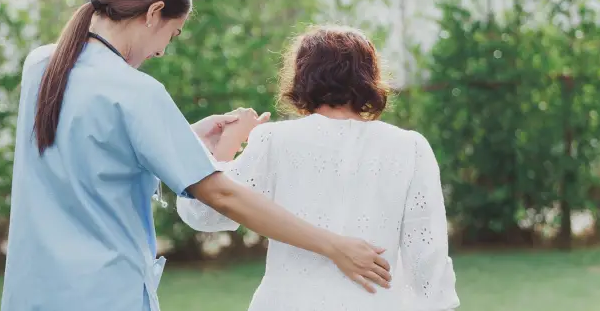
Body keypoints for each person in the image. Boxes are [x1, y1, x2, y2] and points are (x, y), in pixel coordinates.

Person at [0, 0, 391, 311]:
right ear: (154, 12)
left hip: (32, 293)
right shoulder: (136, 91)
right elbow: (222, 195)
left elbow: (85, 152)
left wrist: (182, 136)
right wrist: (334, 246)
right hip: (104, 294)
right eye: (173, 34)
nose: (162, 52)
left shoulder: (42, 65)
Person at [177, 24, 460, 310]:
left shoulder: (274, 140)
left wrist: (229, 141)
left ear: (302, 76)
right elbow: (428, 260)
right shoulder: (410, 148)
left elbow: (205, 214)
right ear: (369, 77)